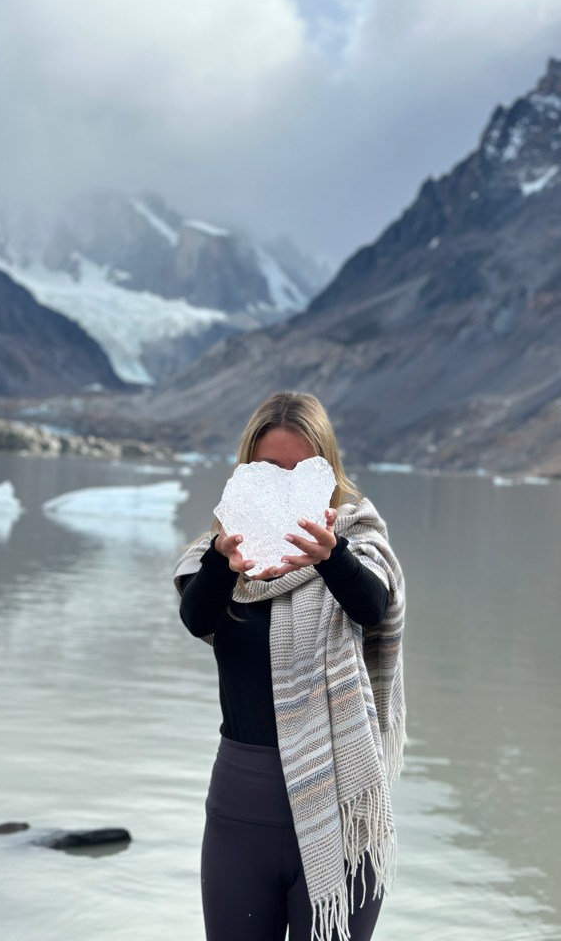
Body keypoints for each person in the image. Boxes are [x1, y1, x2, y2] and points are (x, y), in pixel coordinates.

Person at [174, 392, 406, 941]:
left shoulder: (358, 544)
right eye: (270, 468)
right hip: (241, 808)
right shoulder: (222, 555)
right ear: (246, 471)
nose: (284, 482)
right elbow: (196, 617)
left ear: (327, 470)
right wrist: (221, 561)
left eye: (302, 469)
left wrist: (331, 558)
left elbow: (373, 605)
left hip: (344, 804)